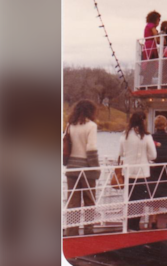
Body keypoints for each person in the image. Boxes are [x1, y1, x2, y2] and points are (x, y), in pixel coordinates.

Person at [64, 100, 100, 236]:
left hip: (72, 168)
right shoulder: (91, 126)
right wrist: (96, 168)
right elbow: (91, 148)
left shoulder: (70, 125)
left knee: (73, 202)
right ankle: (88, 230)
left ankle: (71, 231)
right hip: (86, 168)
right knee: (89, 200)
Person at [119, 111, 157, 231]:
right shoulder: (146, 136)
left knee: (129, 199)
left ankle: (128, 225)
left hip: (128, 172)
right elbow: (153, 155)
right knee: (139, 201)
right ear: (143, 121)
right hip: (142, 173)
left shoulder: (124, 135)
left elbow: (121, 153)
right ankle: (134, 226)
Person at [142, 11, 161, 86]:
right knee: (150, 65)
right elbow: (155, 35)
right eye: (158, 20)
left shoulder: (148, 25)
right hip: (150, 46)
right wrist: (159, 36)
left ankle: (146, 82)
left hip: (149, 45)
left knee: (150, 65)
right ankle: (146, 82)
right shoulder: (151, 25)